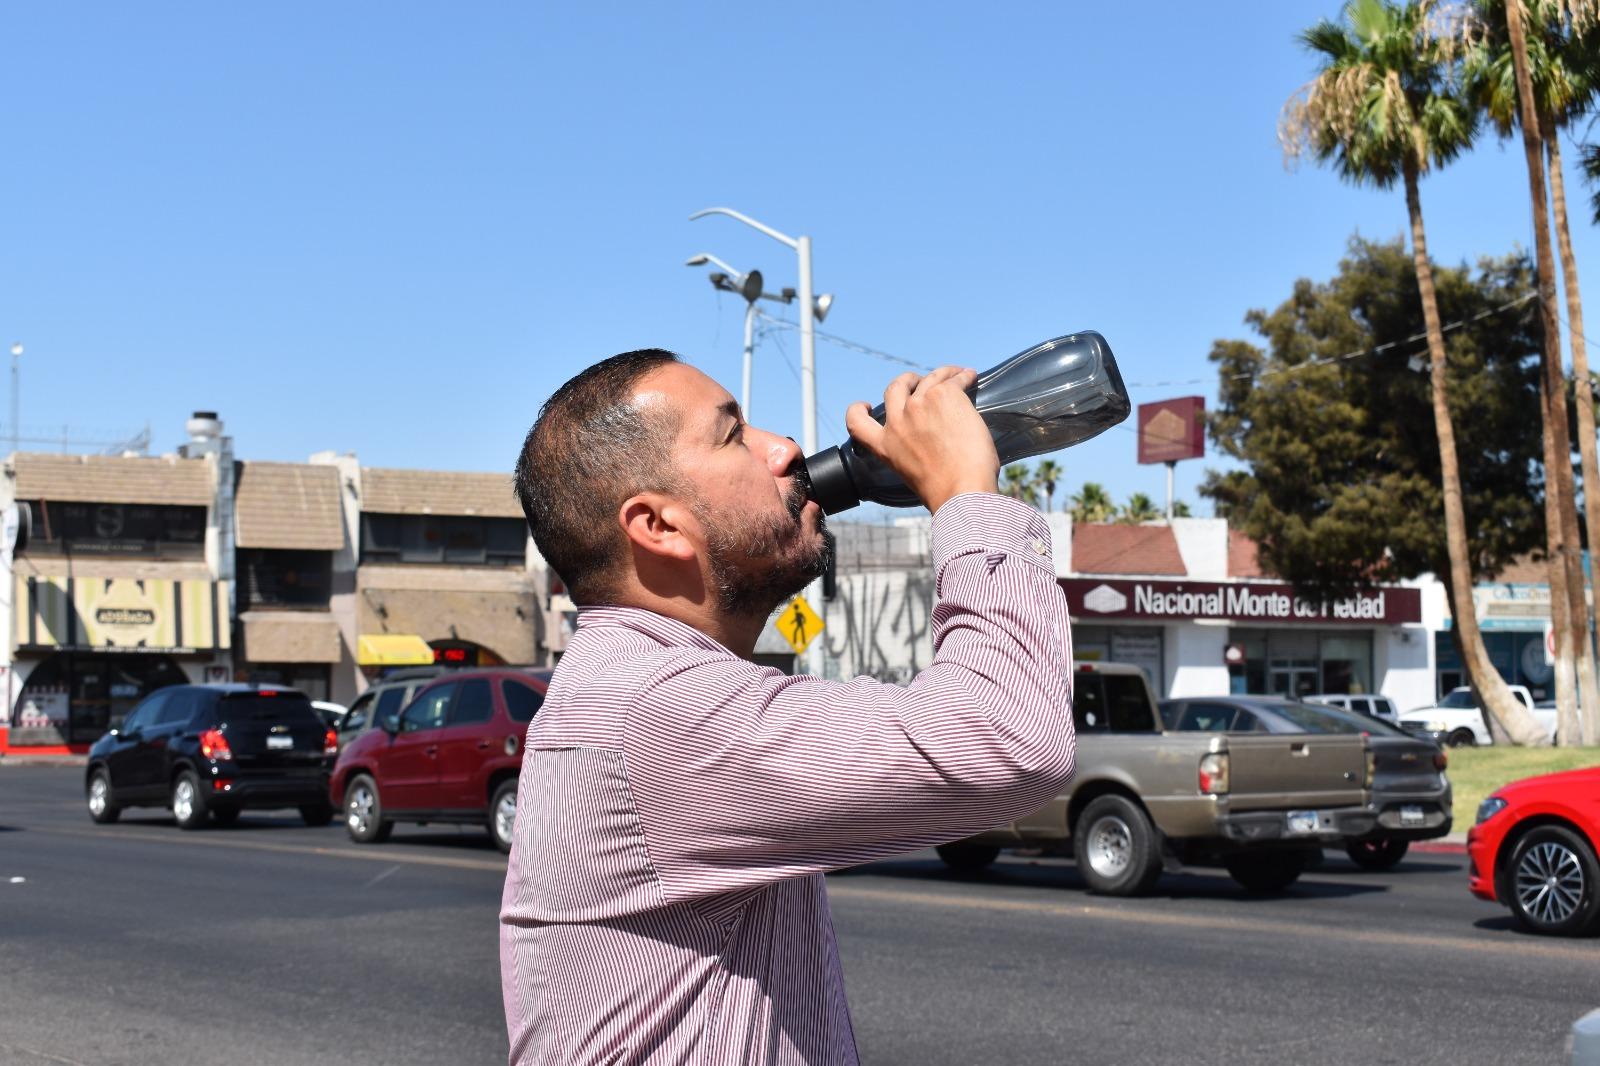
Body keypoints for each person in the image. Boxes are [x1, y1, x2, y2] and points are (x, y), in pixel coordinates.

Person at [502, 349, 1075, 1065]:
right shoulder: (654, 708)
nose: (786, 449)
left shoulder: (633, 688)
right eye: (733, 435)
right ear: (657, 526)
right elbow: (1011, 737)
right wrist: (967, 496)